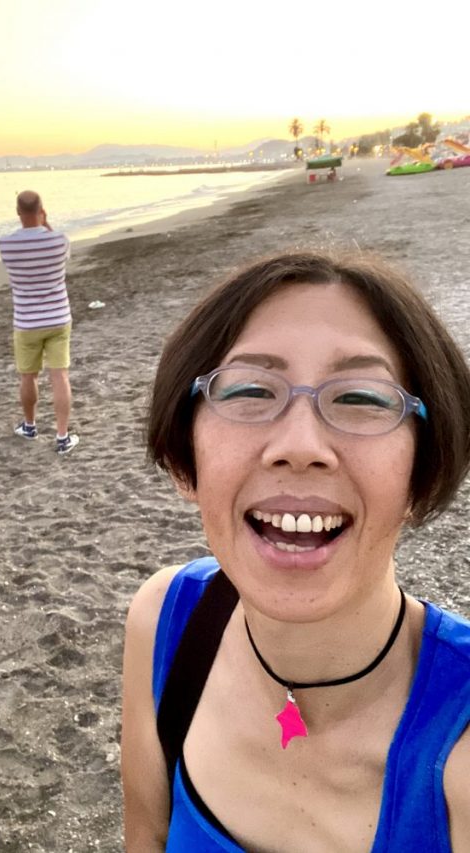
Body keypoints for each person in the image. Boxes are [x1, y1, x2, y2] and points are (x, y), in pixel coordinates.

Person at [121, 249, 470, 852]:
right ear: (185, 460)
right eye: (250, 390)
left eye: (361, 398)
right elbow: (146, 835)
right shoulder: (166, 626)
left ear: (423, 473)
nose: (301, 445)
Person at [0, 190, 79, 454]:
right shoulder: (59, 240)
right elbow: (62, 256)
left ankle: (30, 425)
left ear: (18, 212)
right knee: (60, 376)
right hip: (58, 318)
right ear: (42, 211)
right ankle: (62, 436)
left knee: (28, 376)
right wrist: (46, 224)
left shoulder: (6, 245)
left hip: (26, 321)